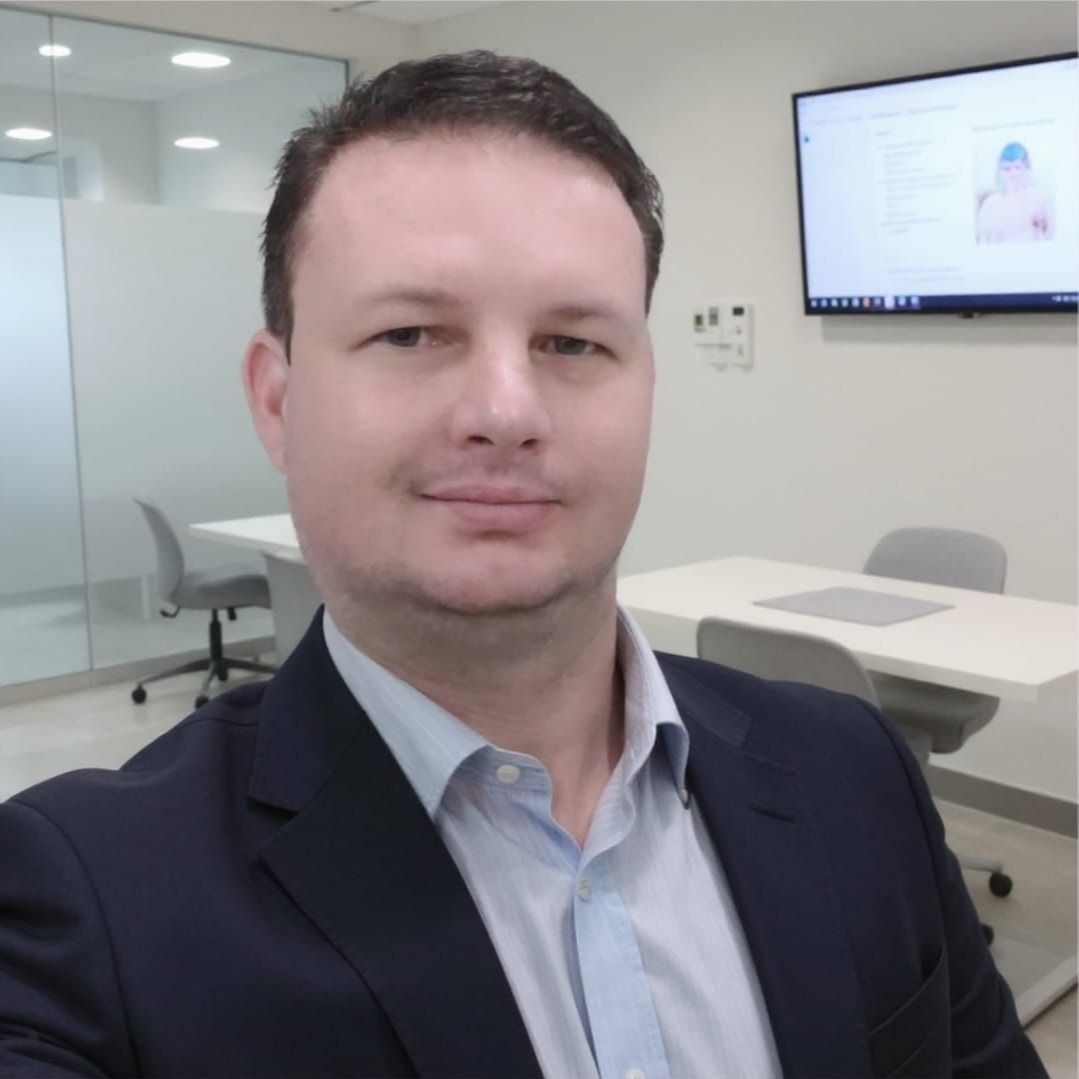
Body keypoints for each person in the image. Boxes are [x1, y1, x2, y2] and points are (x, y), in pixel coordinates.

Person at [0, 51, 1045, 1079]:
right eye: (412, 332)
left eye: (572, 343)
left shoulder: (854, 770)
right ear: (278, 401)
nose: (505, 411)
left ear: (645, 388)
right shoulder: (87, 905)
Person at [975, 141, 1053, 243]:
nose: (1013, 174)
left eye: (1017, 167)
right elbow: (984, 240)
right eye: (1007, 169)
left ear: (1026, 168)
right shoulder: (990, 204)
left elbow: (1050, 237)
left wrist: (1041, 228)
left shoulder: (1039, 200)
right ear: (1000, 171)